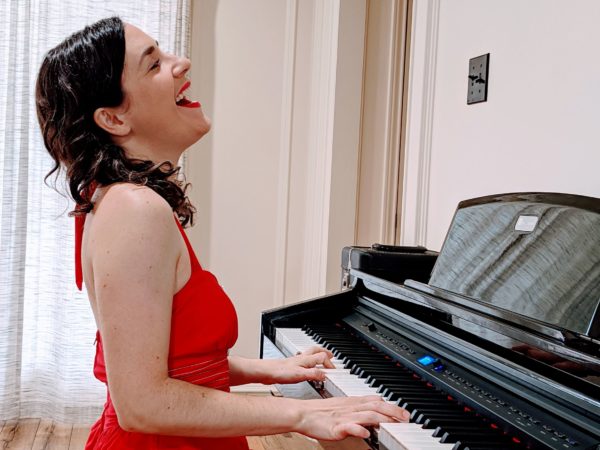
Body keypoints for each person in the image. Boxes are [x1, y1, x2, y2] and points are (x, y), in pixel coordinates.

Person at [35, 16, 409, 449]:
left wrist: (264, 370)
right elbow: (141, 402)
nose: (182, 63)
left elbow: (169, 360)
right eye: (153, 64)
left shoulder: (114, 199)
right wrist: (305, 413)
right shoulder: (134, 209)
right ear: (114, 118)